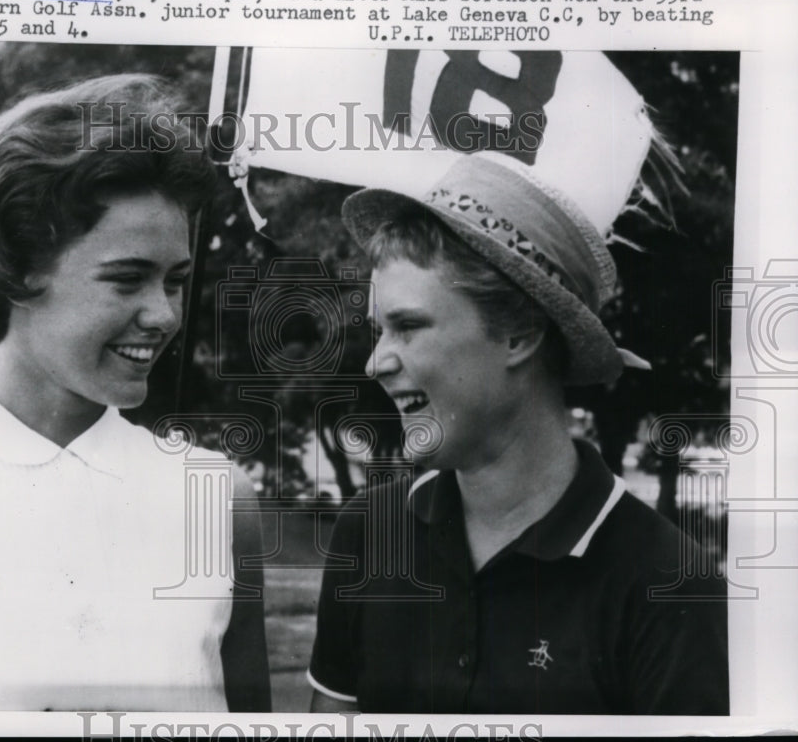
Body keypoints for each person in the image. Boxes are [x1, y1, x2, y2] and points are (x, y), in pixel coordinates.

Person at [0, 74, 271, 711]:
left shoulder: (219, 498)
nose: (165, 314)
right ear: (15, 271)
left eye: (174, 281)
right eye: (126, 279)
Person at [307, 147, 730, 714]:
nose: (376, 361)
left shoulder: (669, 584)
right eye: (378, 331)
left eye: (407, 326)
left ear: (519, 335)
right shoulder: (369, 531)